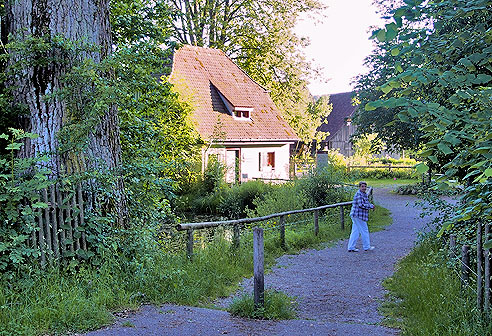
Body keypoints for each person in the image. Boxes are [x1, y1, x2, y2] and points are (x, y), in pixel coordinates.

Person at [347, 181, 375, 252]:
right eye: (362, 186)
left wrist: (370, 205)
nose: (364, 188)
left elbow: (365, 203)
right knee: (364, 230)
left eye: (365, 186)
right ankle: (367, 247)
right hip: (358, 215)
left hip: (358, 215)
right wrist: (370, 206)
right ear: (359, 187)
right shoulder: (359, 194)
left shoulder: (364, 194)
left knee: (355, 231)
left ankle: (351, 247)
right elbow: (361, 205)